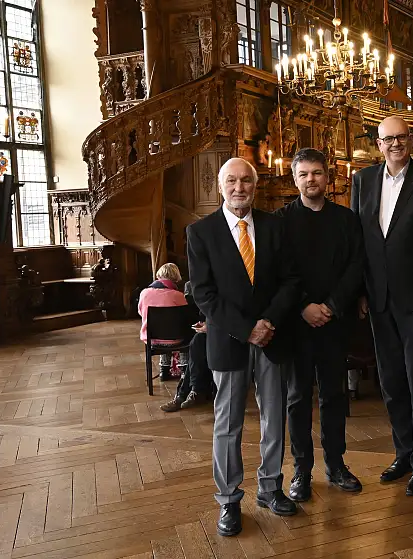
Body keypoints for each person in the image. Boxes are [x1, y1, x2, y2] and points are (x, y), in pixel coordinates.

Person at [187, 157, 300, 537]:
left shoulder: (275, 226)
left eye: (246, 181)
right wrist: (245, 329)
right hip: (229, 340)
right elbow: (203, 293)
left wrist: (267, 323)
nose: (239, 188)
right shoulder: (200, 232)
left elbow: (291, 281)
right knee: (228, 423)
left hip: (272, 337)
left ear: (255, 185)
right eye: (232, 181)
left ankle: (270, 488)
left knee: (274, 418)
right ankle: (229, 499)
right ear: (221, 186)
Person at [350, 116, 413, 496]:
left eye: (401, 138)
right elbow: (358, 240)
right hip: (378, 297)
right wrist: (360, 290)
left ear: (411, 140)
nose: (395, 144)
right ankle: (404, 453)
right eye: (388, 139)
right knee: (391, 381)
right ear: (378, 144)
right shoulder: (362, 181)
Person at [275, 148, 365, 502]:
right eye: (303, 174)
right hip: (296, 323)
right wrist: (303, 307)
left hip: (334, 321)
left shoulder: (346, 219)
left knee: (334, 395)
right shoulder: (280, 221)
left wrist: (330, 305)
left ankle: (336, 464)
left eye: (316, 173)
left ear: (328, 177)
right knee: (297, 398)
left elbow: (356, 266)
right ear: (294, 179)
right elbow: (278, 271)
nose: (310, 179)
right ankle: (301, 470)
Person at [160, 281, 214, 412]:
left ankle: (185, 394)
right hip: (215, 330)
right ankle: (193, 392)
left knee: (197, 343)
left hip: (230, 331)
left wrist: (210, 326)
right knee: (197, 344)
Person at [137, 263, 188, 381]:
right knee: (185, 332)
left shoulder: (144, 293)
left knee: (161, 330)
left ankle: (164, 370)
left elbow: (141, 312)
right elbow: (185, 317)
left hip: (151, 339)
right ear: (176, 277)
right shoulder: (179, 296)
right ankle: (185, 370)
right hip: (175, 339)